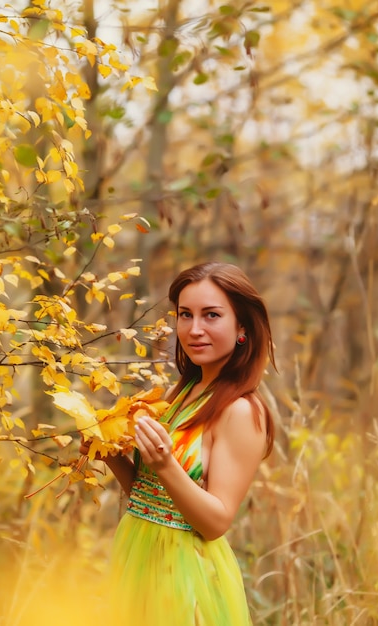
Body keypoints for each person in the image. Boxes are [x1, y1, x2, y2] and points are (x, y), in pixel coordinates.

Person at [80, 261, 275, 625]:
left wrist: (167, 465)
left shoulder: (241, 411)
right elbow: (151, 495)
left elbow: (216, 521)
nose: (194, 329)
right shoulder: (179, 391)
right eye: (185, 315)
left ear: (242, 327)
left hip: (187, 572)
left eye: (211, 315)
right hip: (140, 554)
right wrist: (110, 457)